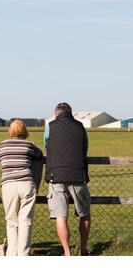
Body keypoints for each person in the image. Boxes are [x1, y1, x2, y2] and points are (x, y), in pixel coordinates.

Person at [0, 119, 43, 256]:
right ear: (25, 131)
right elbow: (39, 155)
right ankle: (23, 254)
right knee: (25, 221)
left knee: (11, 221)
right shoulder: (30, 146)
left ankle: (11, 253)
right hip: (27, 183)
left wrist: (2, 159)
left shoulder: (2, 146)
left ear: (10, 131)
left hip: (9, 185)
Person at [44, 102, 91, 256]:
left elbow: (46, 144)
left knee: (61, 215)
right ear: (71, 113)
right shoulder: (80, 126)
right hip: (78, 174)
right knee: (84, 213)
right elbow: (86, 145)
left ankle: (67, 252)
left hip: (55, 176)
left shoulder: (50, 126)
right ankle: (83, 249)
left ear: (56, 113)